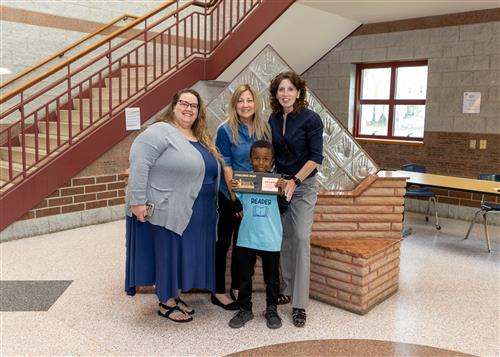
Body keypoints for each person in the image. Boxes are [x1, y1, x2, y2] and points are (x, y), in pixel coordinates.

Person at [125, 88, 221, 323]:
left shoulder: (199, 137)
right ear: (174, 106)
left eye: (194, 106)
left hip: (197, 210)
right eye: (184, 103)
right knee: (169, 254)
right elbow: (139, 163)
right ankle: (166, 302)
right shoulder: (160, 131)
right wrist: (137, 201)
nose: (189, 109)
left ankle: (175, 296)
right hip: (168, 208)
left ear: (199, 112)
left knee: (182, 255)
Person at [268, 71, 324, 328]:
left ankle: (299, 304)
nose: (286, 93)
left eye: (290, 89)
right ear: (276, 93)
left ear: (299, 92)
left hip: (303, 186)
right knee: (284, 238)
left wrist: (295, 182)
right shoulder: (273, 117)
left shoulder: (311, 119)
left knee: (301, 237)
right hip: (281, 184)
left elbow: (315, 158)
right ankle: (287, 287)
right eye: (281, 89)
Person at [213, 84, 272, 310]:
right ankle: (218, 291)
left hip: (252, 195)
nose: (245, 105)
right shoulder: (226, 130)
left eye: (249, 100)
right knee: (223, 243)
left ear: (255, 103)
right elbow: (226, 164)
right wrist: (234, 197)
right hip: (229, 195)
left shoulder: (263, 129)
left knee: (243, 244)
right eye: (240, 101)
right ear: (234, 104)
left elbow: (267, 163)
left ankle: (237, 286)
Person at [228, 140, 288, 329]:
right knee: (245, 277)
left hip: (270, 239)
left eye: (265, 159)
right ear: (250, 160)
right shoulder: (246, 181)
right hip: (247, 238)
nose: (261, 163)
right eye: (256, 159)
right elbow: (236, 208)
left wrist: (281, 192)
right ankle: (245, 309)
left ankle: (272, 309)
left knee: (272, 279)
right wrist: (232, 191)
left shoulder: (276, 183)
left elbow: (283, 208)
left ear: (272, 161)